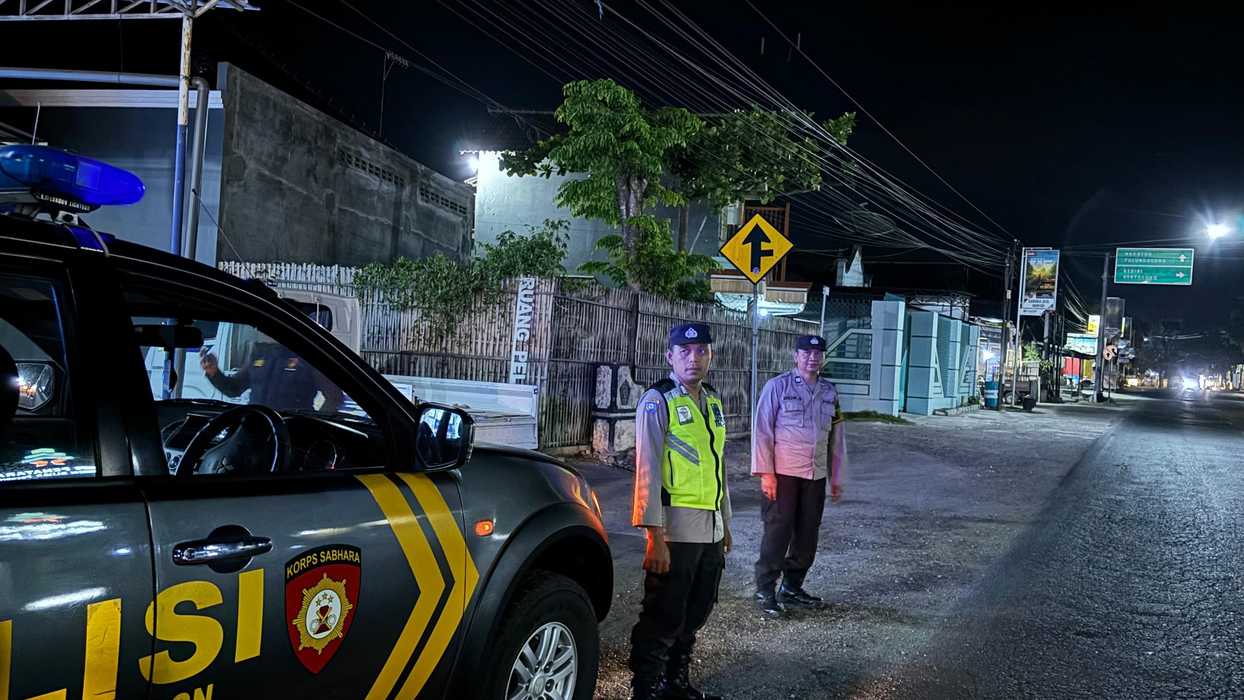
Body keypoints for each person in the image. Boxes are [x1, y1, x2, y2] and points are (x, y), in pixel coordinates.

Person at [629, 322, 731, 700]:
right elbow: (647, 470)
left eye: (701, 350)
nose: (694, 358)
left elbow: (718, 465)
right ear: (669, 356)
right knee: (664, 614)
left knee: (697, 609)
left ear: (710, 356)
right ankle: (645, 689)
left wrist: (726, 523)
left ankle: (676, 684)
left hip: (710, 527)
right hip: (676, 528)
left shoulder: (713, 400)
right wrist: (653, 536)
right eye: (685, 352)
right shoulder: (658, 400)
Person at [751, 334, 847, 617]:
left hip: (815, 475)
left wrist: (837, 476)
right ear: (796, 356)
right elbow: (762, 431)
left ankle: (792, 587)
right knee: (777, 533)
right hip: (783, 474)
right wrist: (766, 474)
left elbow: (837, 437)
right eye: (806, 353)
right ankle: (765, 589)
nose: (812, 358)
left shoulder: (830, 392)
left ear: (824, 358)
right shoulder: (777, 387)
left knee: (807, 534)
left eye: (818, 354)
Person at [201, 338, 342, 414]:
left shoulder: (307, 356)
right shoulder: (260, 353)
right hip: (256, 430)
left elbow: (334, 396)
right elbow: (234, 389)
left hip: (292, 436)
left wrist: (313, 425)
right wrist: (214, 373)